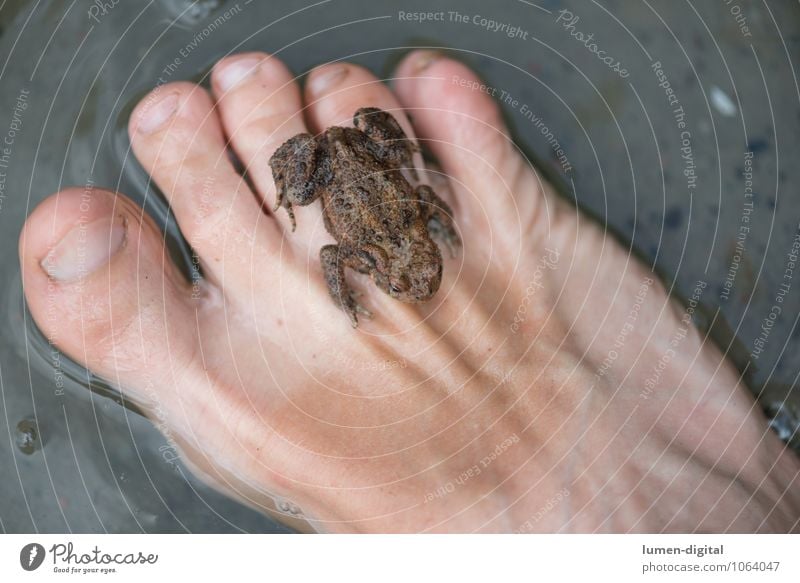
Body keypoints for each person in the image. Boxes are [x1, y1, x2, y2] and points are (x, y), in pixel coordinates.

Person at [19, 50, 799, 533]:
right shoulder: (363, 247)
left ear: (419, 249)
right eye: (403, 278)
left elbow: (356, 250)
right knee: (332, 162)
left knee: (386, 164)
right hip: (343, 174)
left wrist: (386, 270)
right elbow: (351, 253)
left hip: (369, 186)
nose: (414, 284)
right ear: (388, 263)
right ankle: (758, 514)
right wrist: (344, 250)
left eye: (416, 272)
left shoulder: (375, 246)